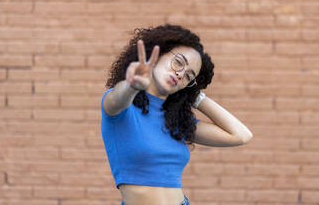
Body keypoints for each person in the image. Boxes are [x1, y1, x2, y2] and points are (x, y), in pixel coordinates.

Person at [100, 24, 253, 205]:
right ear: (157, 55)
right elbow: (118, 98)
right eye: (178, 62)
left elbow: (241, 135)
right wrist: (132, 85)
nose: (180, 74)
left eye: (189, 76)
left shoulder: (177, 122)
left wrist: (194, 95)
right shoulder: (122, 108)